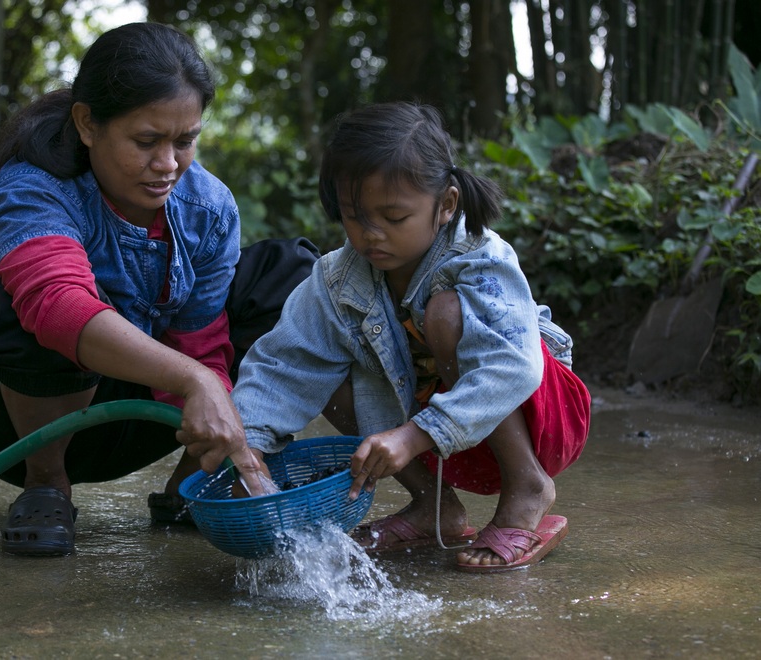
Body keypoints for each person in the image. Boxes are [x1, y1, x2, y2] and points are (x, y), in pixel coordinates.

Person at [0, 22, 317, 556]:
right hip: (11, 429)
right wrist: (195, 381)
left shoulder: (208, 208)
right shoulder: (33, 185)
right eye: (146, 142)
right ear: (88, 124)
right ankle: (47, 484)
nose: (167, 165)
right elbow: (57, 307)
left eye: (185, 141)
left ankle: (195, 484)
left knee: (292, 276)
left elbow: (203, 341)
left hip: (138, 418)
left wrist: (214, 399)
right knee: (30, 305)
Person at [230, 102, 591, 573]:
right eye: (354, 217)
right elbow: (283, 366)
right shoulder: (336, 281)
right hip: (434, 442)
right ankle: (433, 505)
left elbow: (513, 367)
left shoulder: (481, 258)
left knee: (445, 314)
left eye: (394, 218)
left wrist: (413, 435)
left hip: (541, 418)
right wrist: (248, 451)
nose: (370, 235)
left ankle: (528, 488)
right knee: (328, 365)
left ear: (445, 205)